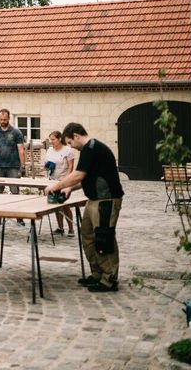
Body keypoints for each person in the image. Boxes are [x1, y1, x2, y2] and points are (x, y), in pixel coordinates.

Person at [45, 122, 124, 293]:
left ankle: (109, 279)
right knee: (88, 235)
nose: (71, 147)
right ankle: (97, 274)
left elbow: (78, 175)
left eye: (70, 143)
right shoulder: (89, 149)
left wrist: (57, 186)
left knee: (104, 237)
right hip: (94, 200)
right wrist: (68, 188)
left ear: (76, 136)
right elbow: (85, 178)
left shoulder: (92, 148)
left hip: (106, 200)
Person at [0, 108, 26, 225]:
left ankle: (19, 217)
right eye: (1, 119)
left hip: (13, 166)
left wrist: (22, 167)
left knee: (15, 192)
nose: (3, 121)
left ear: (9, 118)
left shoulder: (16, 132)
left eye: (5, 119)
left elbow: (21, 150)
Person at [44, 130, 76, 236]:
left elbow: (70, 166)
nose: (51, 141)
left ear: (59, 139)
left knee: (64, 205)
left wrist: (66, 181)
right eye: (50, 140)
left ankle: (71, 229)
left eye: (53, 139)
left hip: (64, 180)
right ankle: (60, 228)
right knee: (56, 205)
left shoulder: (68, 150)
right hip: (53, 180)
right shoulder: (49, 150)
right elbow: (45, 165)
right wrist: (48, 165)